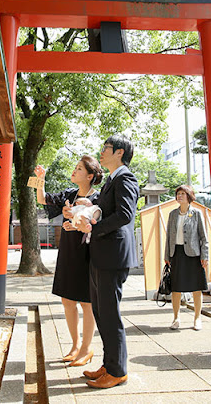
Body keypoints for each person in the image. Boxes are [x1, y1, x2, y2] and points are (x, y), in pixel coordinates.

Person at [76, 135, 139, 389]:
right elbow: (105, 208)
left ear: (119, 153)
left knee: (110, 314)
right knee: (101, 311)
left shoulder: (126, 178)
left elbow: (124, 215)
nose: (102, 152)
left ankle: (118, 371)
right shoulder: (112, 180)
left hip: (113, 255)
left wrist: (95, 227)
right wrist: (87, 206)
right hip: (102, 253)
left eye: (106, 149)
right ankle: (109, 363)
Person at [35, 155, 103, 367]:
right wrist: (41, 179)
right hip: (68, 250)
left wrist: (78, 223)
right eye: (75, 167)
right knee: (67, 300)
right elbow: (42, 199)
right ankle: (74, 345)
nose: (74, 171)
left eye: (79, 169)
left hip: (88, 252)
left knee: (87, 302)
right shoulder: (69, 195)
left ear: (90, 176)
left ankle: (86, 347)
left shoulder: (99, 198)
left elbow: (99, 224)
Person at [164, 185, 209, 331]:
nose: (180, 196)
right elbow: (168, 237)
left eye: (183, 194)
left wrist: (205, 255)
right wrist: (167, 255)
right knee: (176, 288)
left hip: (193, 254)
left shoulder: (196, 214)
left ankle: (197, 318)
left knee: (197, 287)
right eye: (178, 194)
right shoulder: (172, 214)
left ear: (189, 196)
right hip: (176, 253)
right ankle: (176, 318)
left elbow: (204, 237)